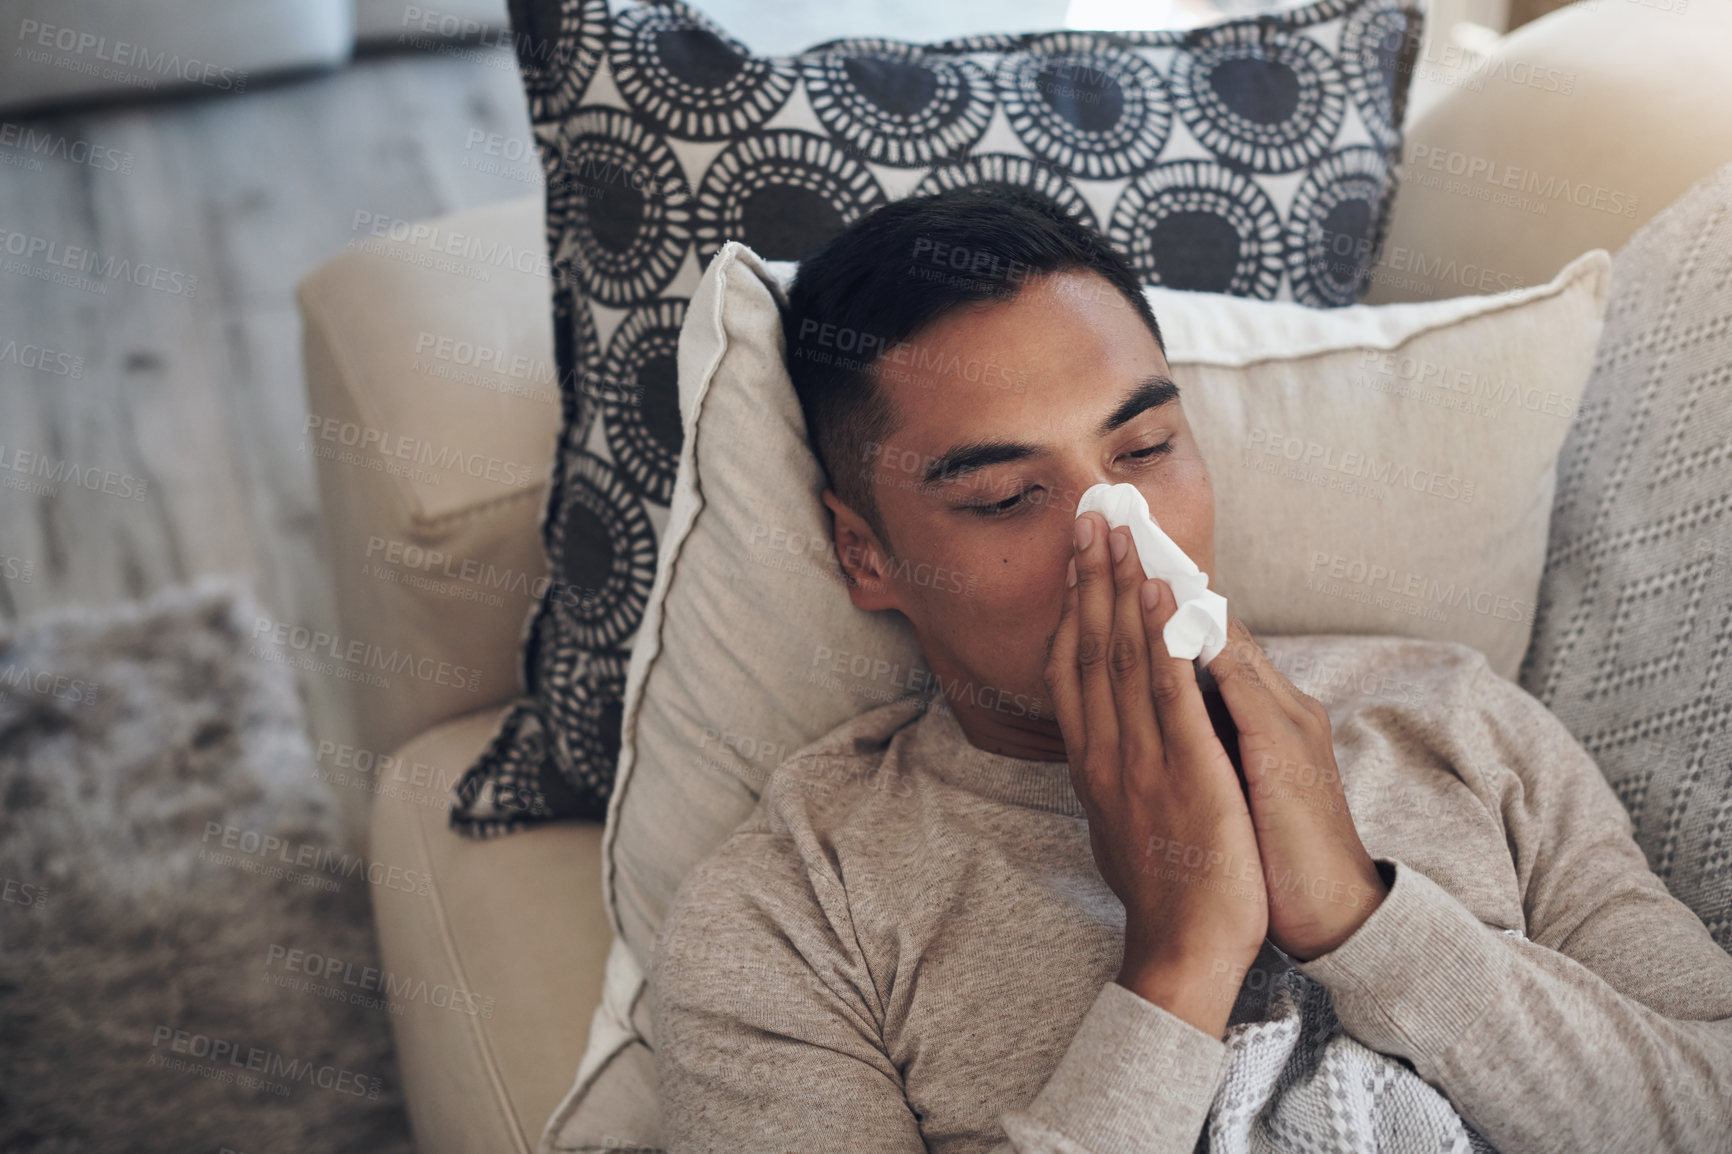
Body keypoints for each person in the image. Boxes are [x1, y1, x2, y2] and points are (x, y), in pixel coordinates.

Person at [647, 184, 1732, 1153]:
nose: (1115, 536)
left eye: (1143, 449)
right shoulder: (788, 915)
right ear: (865, 552)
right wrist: (1176, 968)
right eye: (1003, 497)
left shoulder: (1452, 717)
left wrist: (1362, 914)